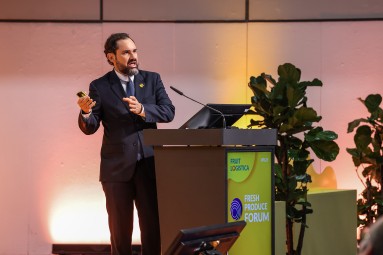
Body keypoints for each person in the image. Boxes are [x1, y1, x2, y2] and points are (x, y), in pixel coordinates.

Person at [77, 33, 175, 255]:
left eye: (135, 51)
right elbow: (91, 126)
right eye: (126, 52)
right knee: (120, 232)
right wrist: (85, 112)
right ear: (111, 57)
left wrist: (143, 110)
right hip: (116, 169)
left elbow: (169, 112)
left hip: (149, 166)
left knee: (152, 228)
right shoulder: (100, 86)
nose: (133, 56)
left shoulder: (152, 79)